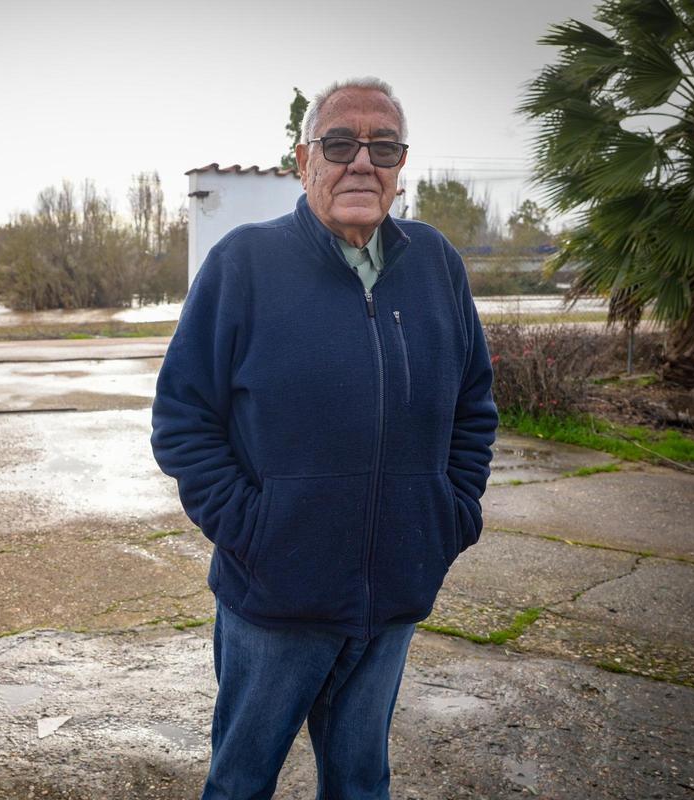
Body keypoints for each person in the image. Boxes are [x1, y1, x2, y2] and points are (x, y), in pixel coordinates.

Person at [150, 77, 499, 799]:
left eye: (384, 146)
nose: (361, 162)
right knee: (241, 782)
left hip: (393, 597)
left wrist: (448, 516)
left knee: (362, 783)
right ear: (305, 159)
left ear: (403, 165)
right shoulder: (244, 265)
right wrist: (258, 532)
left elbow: (474, 407)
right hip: (273, 603)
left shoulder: (436, 266)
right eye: (340, 143)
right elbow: (183, 421)